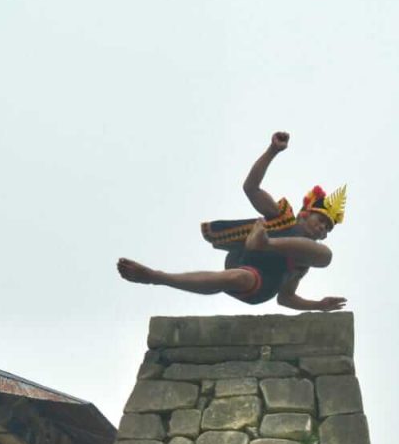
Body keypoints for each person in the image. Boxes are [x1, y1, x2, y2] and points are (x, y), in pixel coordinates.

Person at [117, 131, 347, 310]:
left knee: (325, 256)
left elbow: (285, 298)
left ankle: (264, 243)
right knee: (235, 275)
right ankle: (156, 277)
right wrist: (272, 151)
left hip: (261, 284)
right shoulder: (281, 218)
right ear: (304, 214)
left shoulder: (302, 262)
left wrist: (318, 306)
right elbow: (251, 188)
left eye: (327, 229)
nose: (322, 229)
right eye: (321, 221)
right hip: (243, 260)